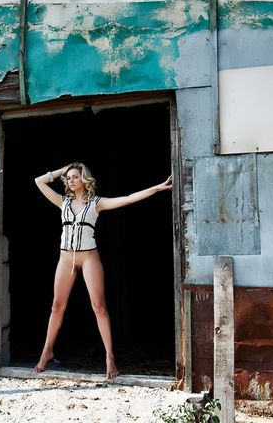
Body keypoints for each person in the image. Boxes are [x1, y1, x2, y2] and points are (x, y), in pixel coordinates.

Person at [33, 162, 173, 379]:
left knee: (99, 306)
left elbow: (127, 198)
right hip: (65, 258)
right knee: (57, 306)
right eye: (68, 178)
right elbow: (38, 181)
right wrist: (62, 170)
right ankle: (46, 351)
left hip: (89, 258)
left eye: (75, 177)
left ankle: (109, 356)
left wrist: (157, 188)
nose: (70, 180)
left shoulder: (96, 203)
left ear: (84, 179)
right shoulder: (62, 202)